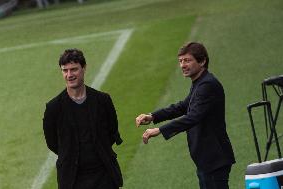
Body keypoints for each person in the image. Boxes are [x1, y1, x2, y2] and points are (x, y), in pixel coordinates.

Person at [135, 42, 235, 189]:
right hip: (207, 159)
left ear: (202, 61)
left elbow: (192, 117)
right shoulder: (200, 83)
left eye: (187, 60)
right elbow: (183, 106)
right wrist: (152, 116)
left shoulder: (207, 85)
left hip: (214, 159)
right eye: (180, 61)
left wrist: (159, 130)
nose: (182, 65)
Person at [43, 49, 123, 189]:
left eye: (74, 69)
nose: (69, 75)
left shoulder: (102, 100)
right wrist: (70, 153)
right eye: (65, 70)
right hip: (73, 180)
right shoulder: (53, 108)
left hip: (103, 175)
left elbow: (112, 131)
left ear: (84, 68)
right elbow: (53, 143)